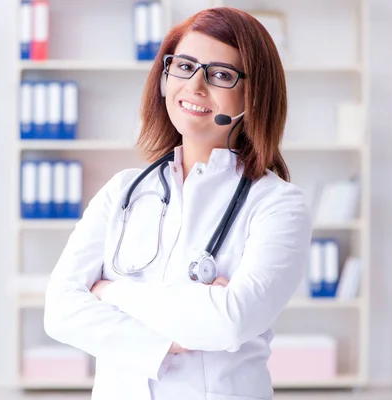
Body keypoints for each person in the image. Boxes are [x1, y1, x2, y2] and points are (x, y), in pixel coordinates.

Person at [43, 6, 312, 400]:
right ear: (165, 78)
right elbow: (61, 311)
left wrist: (110, 293)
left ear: (255, 95)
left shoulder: (277, 205)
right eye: (184, 66)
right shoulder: (123, 192)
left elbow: (229, 322)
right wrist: (170, 337)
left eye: (221, 74)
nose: (196, 85)